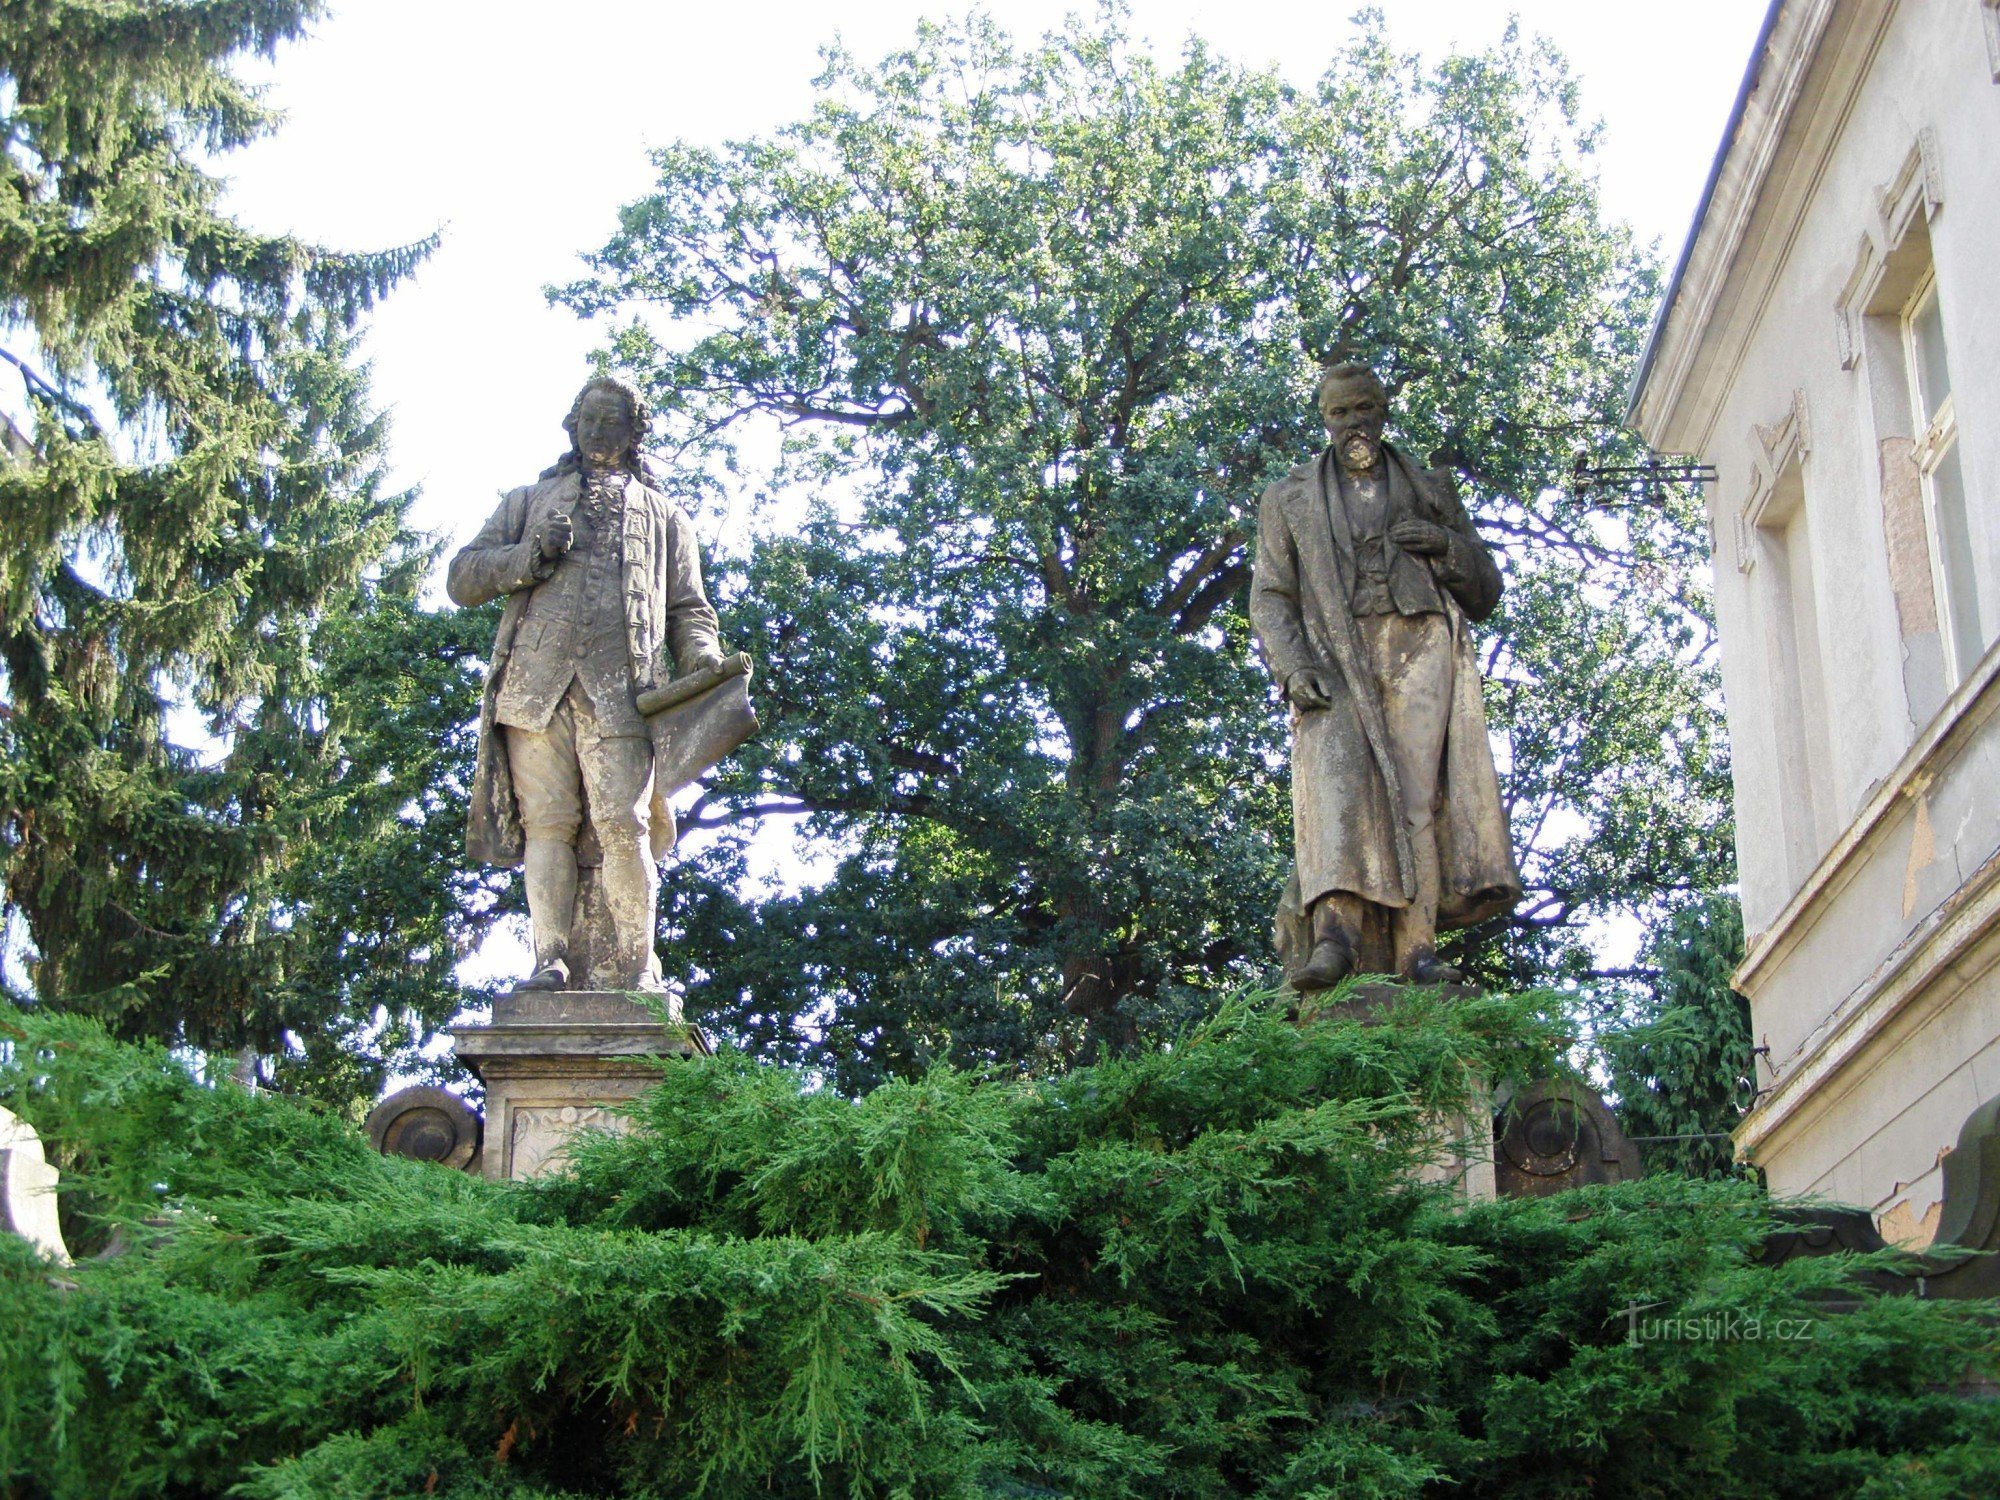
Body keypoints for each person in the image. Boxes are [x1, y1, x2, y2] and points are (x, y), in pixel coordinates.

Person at [1248, 360, 1521, 989]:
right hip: (1332, 657)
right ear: (1324, 419)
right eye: (1339, 413)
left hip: (1418, 642)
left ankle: (1416, 949)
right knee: (1336, 789)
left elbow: (1485, 589)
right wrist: (1291, 667)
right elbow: (1270, 596)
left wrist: (1442, 544)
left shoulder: (1430, 487)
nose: (1353, 423)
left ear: (1383, 409)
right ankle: (1335, 940)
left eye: (1363, 409)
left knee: (1417, 796)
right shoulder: (1287, 497)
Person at [449, 375, 723, 993]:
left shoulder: (666, 517)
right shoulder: (527, 501)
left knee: (624, 822)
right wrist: (526, 558)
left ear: (634, 434)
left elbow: (688, 608)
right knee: (547, 823)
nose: (600, 432)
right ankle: (548, 958)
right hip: (534, 688)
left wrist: (702, 655)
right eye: (590, 420)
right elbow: (462, 576)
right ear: (572, 426)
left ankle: (637, 966)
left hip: (624, 692)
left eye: (614, 421)